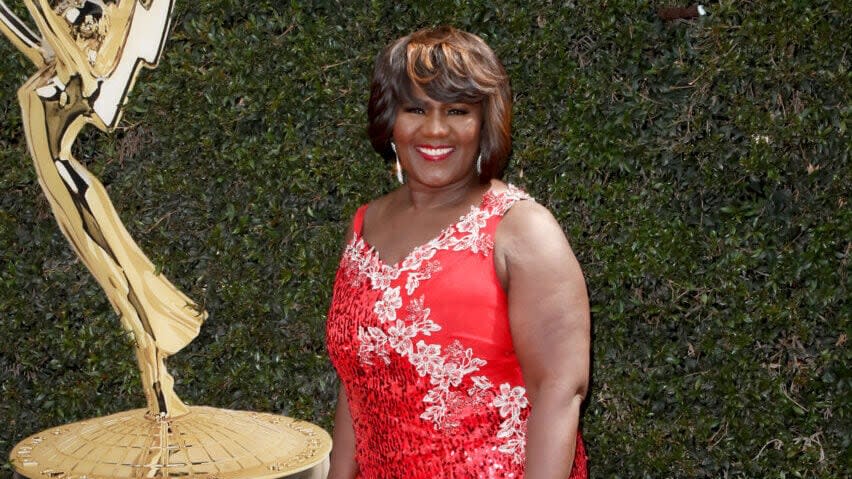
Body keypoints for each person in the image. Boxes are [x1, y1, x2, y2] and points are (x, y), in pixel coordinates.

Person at [326, 26, 589, 478]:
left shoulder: (522, 230)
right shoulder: (364, 224)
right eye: (415, 109)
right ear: (390, 118)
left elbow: (559, 391)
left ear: (484, 122)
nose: (435, 129)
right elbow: (357, 383)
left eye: (457, 111)